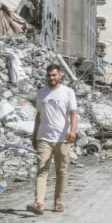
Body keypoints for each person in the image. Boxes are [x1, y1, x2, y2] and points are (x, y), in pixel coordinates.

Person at [28, 64, 78, 215]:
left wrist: (73, 131)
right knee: (42, 170)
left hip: (63, 138)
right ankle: (39, 203)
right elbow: (38, 116)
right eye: (49, 75)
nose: (51, 78)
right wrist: (35, 134)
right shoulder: (41, 93)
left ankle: (58, 201)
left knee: (61, 171)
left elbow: (73, 114)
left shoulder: (68, 92)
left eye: (54, 75)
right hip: (44, 137)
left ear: (60, 75)